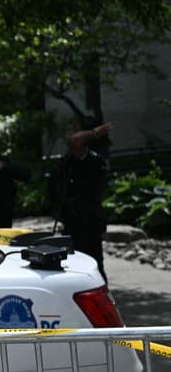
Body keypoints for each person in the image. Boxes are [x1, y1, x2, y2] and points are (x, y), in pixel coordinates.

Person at [56, 117, 112, 281]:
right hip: (72, 220)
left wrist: (95, 132)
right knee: (72, 266)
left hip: (88, 222)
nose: (72, 133)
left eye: (77, 130)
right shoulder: (70, 158)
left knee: (94, 266)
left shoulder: (91, 159)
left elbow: (74, 141)